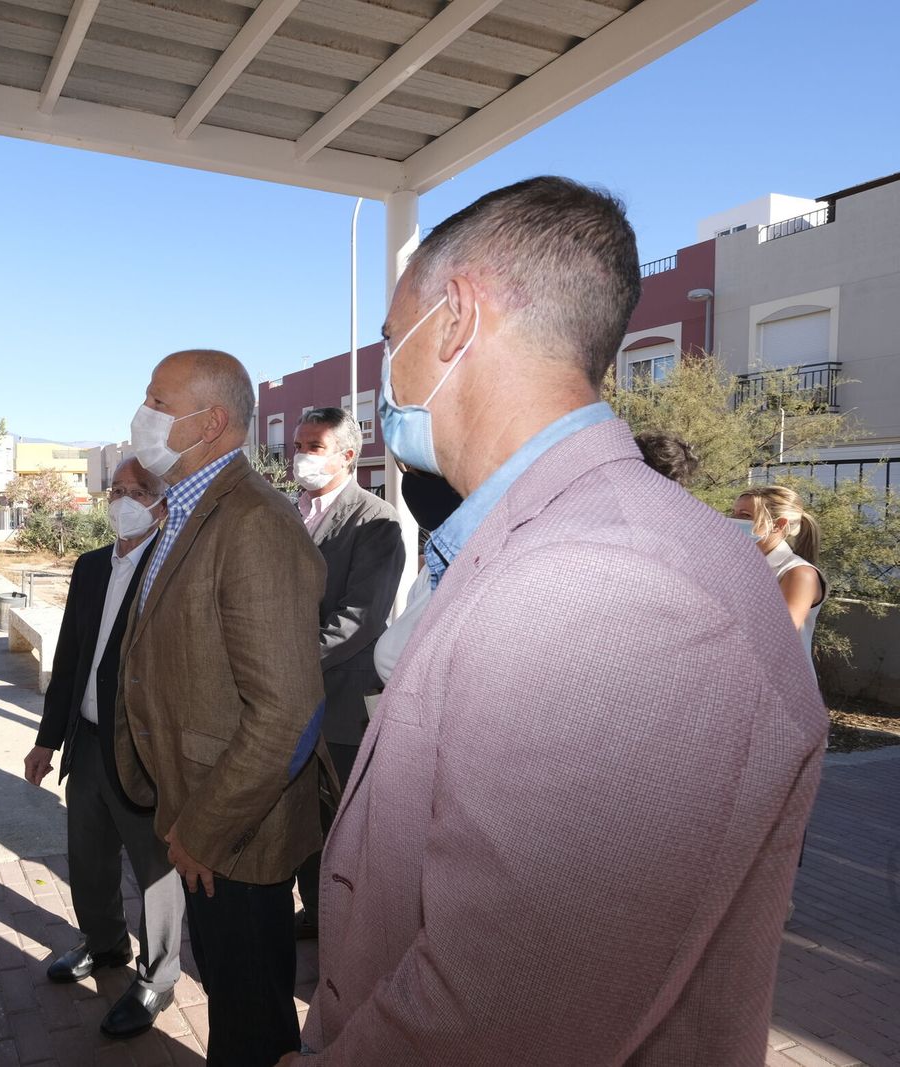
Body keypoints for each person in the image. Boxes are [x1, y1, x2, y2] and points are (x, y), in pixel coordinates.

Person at [291, 177, 826, 1065]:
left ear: (455, 321)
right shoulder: (554, 537)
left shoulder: (612, 579)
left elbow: (502, 1007)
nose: (387, 371)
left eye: (393, 340)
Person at [114, 350, 328, 1067]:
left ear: (211, 422)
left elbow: (287, 709)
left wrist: (203, 830)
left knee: (254, 1027)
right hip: (203, 817)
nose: (141, 415)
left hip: (236, 834)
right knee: (239, 1010)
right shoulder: (188, 507)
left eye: (157, 401)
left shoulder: (254, 522)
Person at [23, 456, 186, 1039]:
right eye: (116, 488)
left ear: (164, 500)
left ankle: (159, 975)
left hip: (144, 749)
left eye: (138, 489)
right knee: (87, 859)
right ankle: (105, 944)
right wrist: (47, 738)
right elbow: (68, 657)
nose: (124, 498)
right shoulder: (92, 566)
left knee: (155, 869)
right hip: (87, 741)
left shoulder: (175, 566)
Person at [287, 407, 404, 939]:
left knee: (343, 826)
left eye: (314, 446)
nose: (301, 456)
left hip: (341, 702)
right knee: (302, 820)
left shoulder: (375, 521)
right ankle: (316, 912)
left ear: (348, 456)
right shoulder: (288, 512)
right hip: (285, 702)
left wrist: (286, 664)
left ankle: (352, 931)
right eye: (300, 444)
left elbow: (360, 618)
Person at [733, 485, 825, 668]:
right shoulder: (739, 565)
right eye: (733, 513)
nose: (733, 521)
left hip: (780, 685)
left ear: (779, 525)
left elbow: (779, 637)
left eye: (744, 516)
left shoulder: (799, 574)